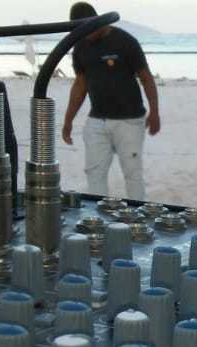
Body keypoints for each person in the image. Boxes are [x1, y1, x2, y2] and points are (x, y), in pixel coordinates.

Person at [61, 2, 161, 201]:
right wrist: (68, 120)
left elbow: (146, 78)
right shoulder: (80, 47)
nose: (86, 35)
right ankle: (98, 215)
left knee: (132, 173)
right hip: (97, 120)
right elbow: (80, 84)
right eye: (81, 31)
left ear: (97, 21)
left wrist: (155, 112)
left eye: (88, 29)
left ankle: (136, 214)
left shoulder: (125, 41)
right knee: (94, 172)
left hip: (129, 120)